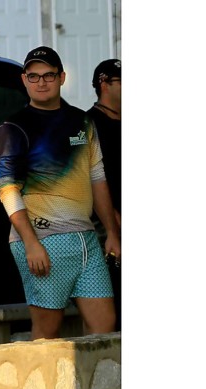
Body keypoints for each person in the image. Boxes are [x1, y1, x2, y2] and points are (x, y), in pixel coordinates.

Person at [0, 46, 120, 340]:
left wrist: (112, 232)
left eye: (48, 75)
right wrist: (31, 243)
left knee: (105, 332)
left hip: (87, 240)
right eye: (34, 76)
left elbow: (97, 178)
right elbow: (7, 190)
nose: (41, 82)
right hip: (44, 242)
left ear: (62, 78)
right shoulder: (12, 128)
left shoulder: (82, 121)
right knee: (47, 336)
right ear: (24, 80)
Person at [87, 59, 121, 331]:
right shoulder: (90, 124)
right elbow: (94, 179)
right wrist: (114, 222)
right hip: (108, 226)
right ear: (104, 83)